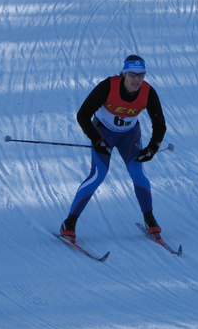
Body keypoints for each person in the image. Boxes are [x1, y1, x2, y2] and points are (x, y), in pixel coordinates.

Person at [60, 55, 167, 239]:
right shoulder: (108, 86)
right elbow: (82, 115)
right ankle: (69, 222)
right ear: (124, 74)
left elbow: (160, 125)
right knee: (98, 175)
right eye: (132, 75)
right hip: (104, 134)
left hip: (129, 136)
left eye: (141, 75)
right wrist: (96, 139)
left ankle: (149, 218)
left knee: (138, 173)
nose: (137, 80)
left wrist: (152, 148)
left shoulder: (148, 92)